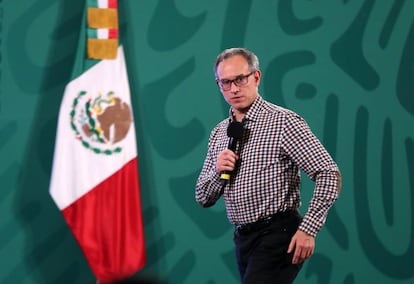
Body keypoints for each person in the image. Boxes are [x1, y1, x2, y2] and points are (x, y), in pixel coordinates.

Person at [195, 47, 341, 284]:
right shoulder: (219, 133)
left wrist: (308, 228)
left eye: (240, 79)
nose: (233, 88)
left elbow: (328, 173)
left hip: (279, 232)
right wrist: (218, 171)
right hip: (243, 237)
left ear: (256, 77)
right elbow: (203, 196)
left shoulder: (283, 122)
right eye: (225, 82)